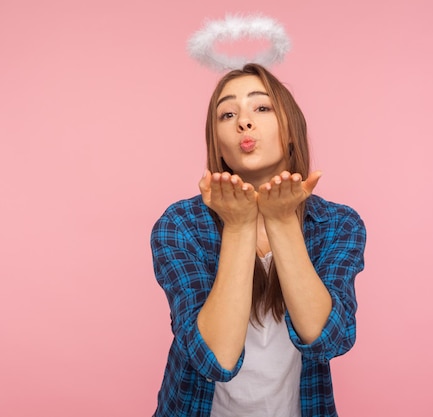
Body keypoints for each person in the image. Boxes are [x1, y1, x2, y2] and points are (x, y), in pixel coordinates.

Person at [150, 63, 366, 417]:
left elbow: (327, 339)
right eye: (227, 114)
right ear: (218, 145)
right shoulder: (180, 225)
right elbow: (215, 358)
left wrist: (281, 221)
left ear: (292, 131)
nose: (243, 122)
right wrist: (237, 227)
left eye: (261, 108)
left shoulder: (337, 224)